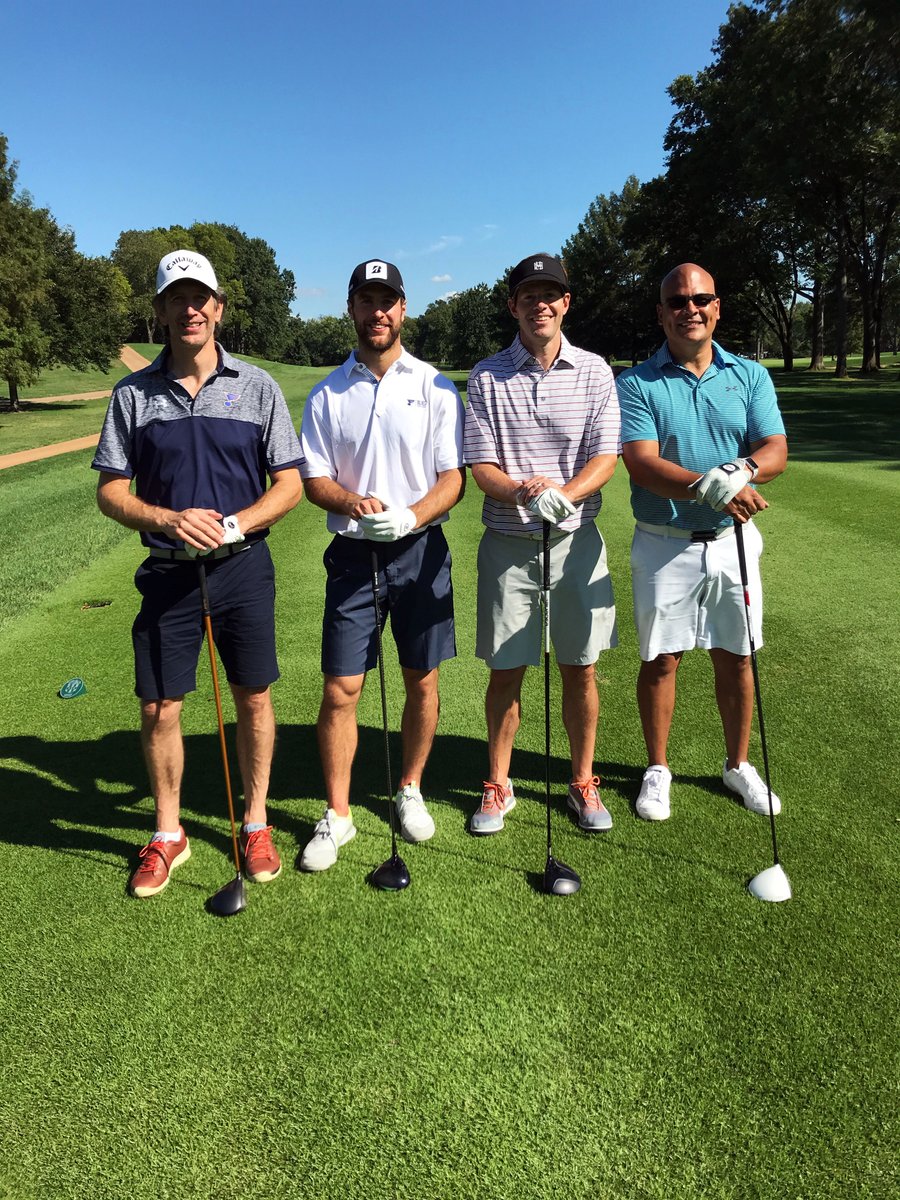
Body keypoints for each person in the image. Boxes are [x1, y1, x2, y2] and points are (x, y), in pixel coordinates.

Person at [93, 249, 303, 897]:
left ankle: (257, 822)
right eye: (176, 298)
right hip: (167, 571)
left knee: (254, 697)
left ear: (218, 307)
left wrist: (234, 524)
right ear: (159, 311)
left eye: (200, 297)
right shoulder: (133, 394)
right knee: (160, 706)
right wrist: (167, 518)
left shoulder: (258, 385)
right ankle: (167, 832)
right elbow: (110, 491)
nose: (190, 308)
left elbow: (289, 484)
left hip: (243, 566)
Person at [298, 259, 465, 871]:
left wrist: (413, 516)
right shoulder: (326, 394)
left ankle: (409, 788)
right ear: (352, 309)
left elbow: (453, 480)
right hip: (351, 555)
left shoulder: (435, 386)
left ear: (403, 309)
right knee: (342, 687)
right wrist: (351, 502)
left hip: (421, 552)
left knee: (422, 677)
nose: (378, 312)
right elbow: (314, 479)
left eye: (387, 301)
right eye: (367, 301)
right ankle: (338, 814)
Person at [616, 262, 788, 821]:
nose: (690, 309)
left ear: (717, 307)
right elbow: (641, 464)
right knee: (662, 660)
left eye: (701, 299)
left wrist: (739, 470)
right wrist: (708, 488)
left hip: (733, 542)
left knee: (737, 657)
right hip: (665, 543)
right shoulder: (637, 382)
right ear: (662, 313)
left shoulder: (750, 375)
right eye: (678, 301)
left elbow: (775, 449)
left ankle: (737, 765)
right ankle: (658, 768)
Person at [464, 253, 620, 836]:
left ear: (566, 302)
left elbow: (607, 455)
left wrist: (567, 495)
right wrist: (526, 492)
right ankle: (499, 783)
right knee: (506, 669)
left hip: (577, 539)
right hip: (508, 543)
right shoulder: (485, 376)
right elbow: (480, 465)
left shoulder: (595, 371)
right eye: (529, 295)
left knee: (580, 667)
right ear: (514, 306)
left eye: (551, 293)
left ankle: (582, 780)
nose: (541, 303)